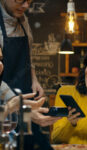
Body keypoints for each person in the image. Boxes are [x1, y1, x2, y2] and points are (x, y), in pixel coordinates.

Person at [0, 0, 55, 149]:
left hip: (25, 101)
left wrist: (34, 79)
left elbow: (28, 54)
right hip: (5, 112)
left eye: (29, 1)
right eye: (20, 0)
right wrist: (19, 106)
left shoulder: (23, 19)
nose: (26, 6)